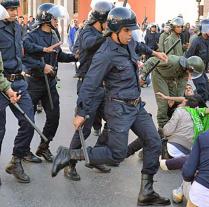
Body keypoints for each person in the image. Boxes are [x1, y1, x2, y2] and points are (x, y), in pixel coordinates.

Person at [51, 7, 171, 206]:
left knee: (154, 141)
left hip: (136, 105)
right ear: (115, 30)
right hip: (118, 109)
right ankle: (69, 154)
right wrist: (81, 112)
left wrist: (155, 53)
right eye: (126, 30)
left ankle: (147, 192)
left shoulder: (129, 42)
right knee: (116, 155)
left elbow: (139, 46)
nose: (130, 34)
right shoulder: (105, 53)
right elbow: (90, 83)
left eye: (131, 30)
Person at [65, 0, 114, 181]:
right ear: (99, 20)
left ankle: (94, 157)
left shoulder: (104, 33)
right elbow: (89, 44)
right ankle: (69, 164)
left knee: (112, 122)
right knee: (84, 129)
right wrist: (106, 34)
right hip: (89, 87)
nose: (109, 25)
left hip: (104, 87)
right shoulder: (87, 32)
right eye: (107, 21)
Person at [22, 3, 77, 163]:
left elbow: (58, 55)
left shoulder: (54, 34)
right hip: (34, 83)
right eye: (54, 18)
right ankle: (24, 151)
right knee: (28, 120)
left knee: (54, 117)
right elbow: (24, 57)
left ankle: (44, 147)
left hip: (50, 84)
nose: (57, 21)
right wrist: (41, 66)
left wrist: (75, 57)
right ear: (46, 19)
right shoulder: (31, 36)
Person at [0, 0, 37, 183]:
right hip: (0, 83)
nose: (14, 12)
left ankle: (16, 160)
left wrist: (24, 68)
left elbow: (20, 52)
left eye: (16, 9)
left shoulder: (17, 26)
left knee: (29, 121)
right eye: (10, 9)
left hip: (18, 81)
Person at [140, 55, 204, 130]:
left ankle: (172, 123)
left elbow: (180, 90)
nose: (190, 77)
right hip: (159, 75)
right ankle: (162, 127)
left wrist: (178, 102)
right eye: (191, 73)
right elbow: (151, 60)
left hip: (170, 78)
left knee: (174, 102)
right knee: (163, 103)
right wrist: (143, 75)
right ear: (189, 67)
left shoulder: (185, 72)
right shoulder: (172, 61)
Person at [185, 18, 209, 101]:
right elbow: (188, 56)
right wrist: (189, 72)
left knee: (207, 91)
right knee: (202, 91)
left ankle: (199, 106)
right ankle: (199, 108)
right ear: (204, 30)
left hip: (202, 70)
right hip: (195, 71)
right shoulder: (196, 41)